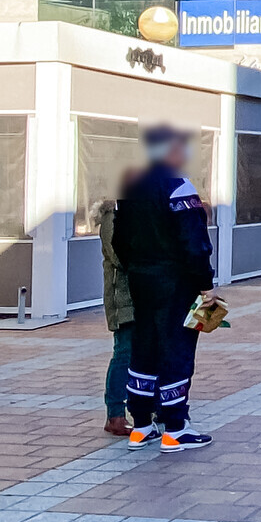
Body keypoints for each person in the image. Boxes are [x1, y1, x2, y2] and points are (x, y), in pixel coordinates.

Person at [113, 125, 218, 452]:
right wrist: (206, 285)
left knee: (145, 345)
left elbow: (119, 241)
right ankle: (176, 426)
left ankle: (141, 424)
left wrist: (137, 268)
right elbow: (194, 243)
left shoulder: (129, 187)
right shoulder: (178, 186)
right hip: (176, 282)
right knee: (177, 347)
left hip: (141, 279)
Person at [97, 194, 135, 436]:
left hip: (140, 297)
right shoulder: (113, 216)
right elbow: (120, 257)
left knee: (141, 355)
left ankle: (145, 406)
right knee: (124, 353)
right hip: (123, 298)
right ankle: (115, 414)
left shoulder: (136, 213)